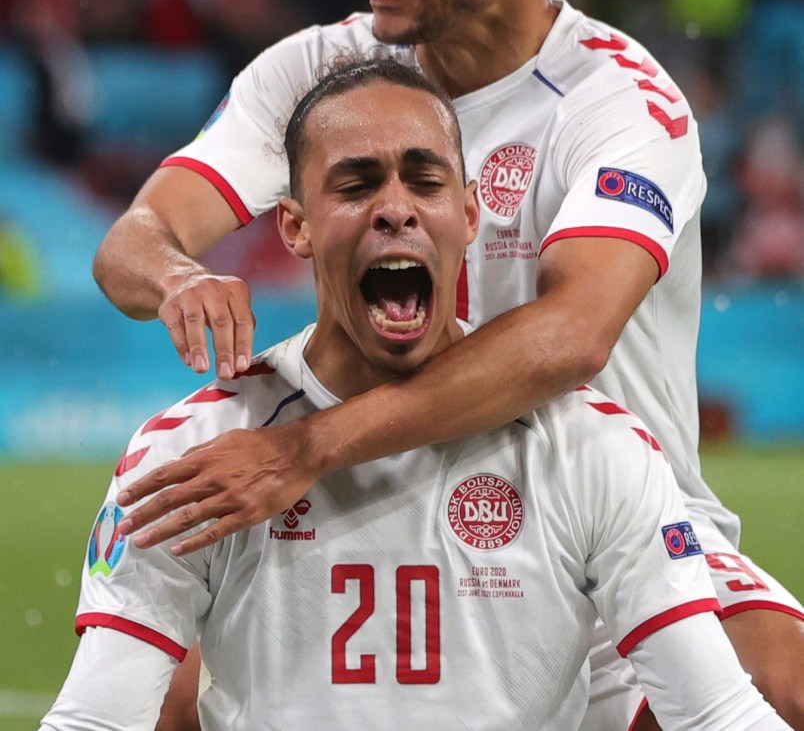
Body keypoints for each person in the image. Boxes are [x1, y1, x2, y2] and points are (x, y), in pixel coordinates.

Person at [92, 0, 804, 730]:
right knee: (148, 682)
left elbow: (570, 336)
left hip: (601, 532)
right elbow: (134, 239)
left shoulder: (619, 102)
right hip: (358, 511)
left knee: (784, 689)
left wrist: (304, 446)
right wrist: (177, 273)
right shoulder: (317, 74)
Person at [42, 61, 792, 731]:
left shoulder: (592, 447)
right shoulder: (191, 453)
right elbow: (96, 718)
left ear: (468, 216)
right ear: (295, 227)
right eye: (358, 182)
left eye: (424, 180)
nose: (395, 208)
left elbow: (716, 709)